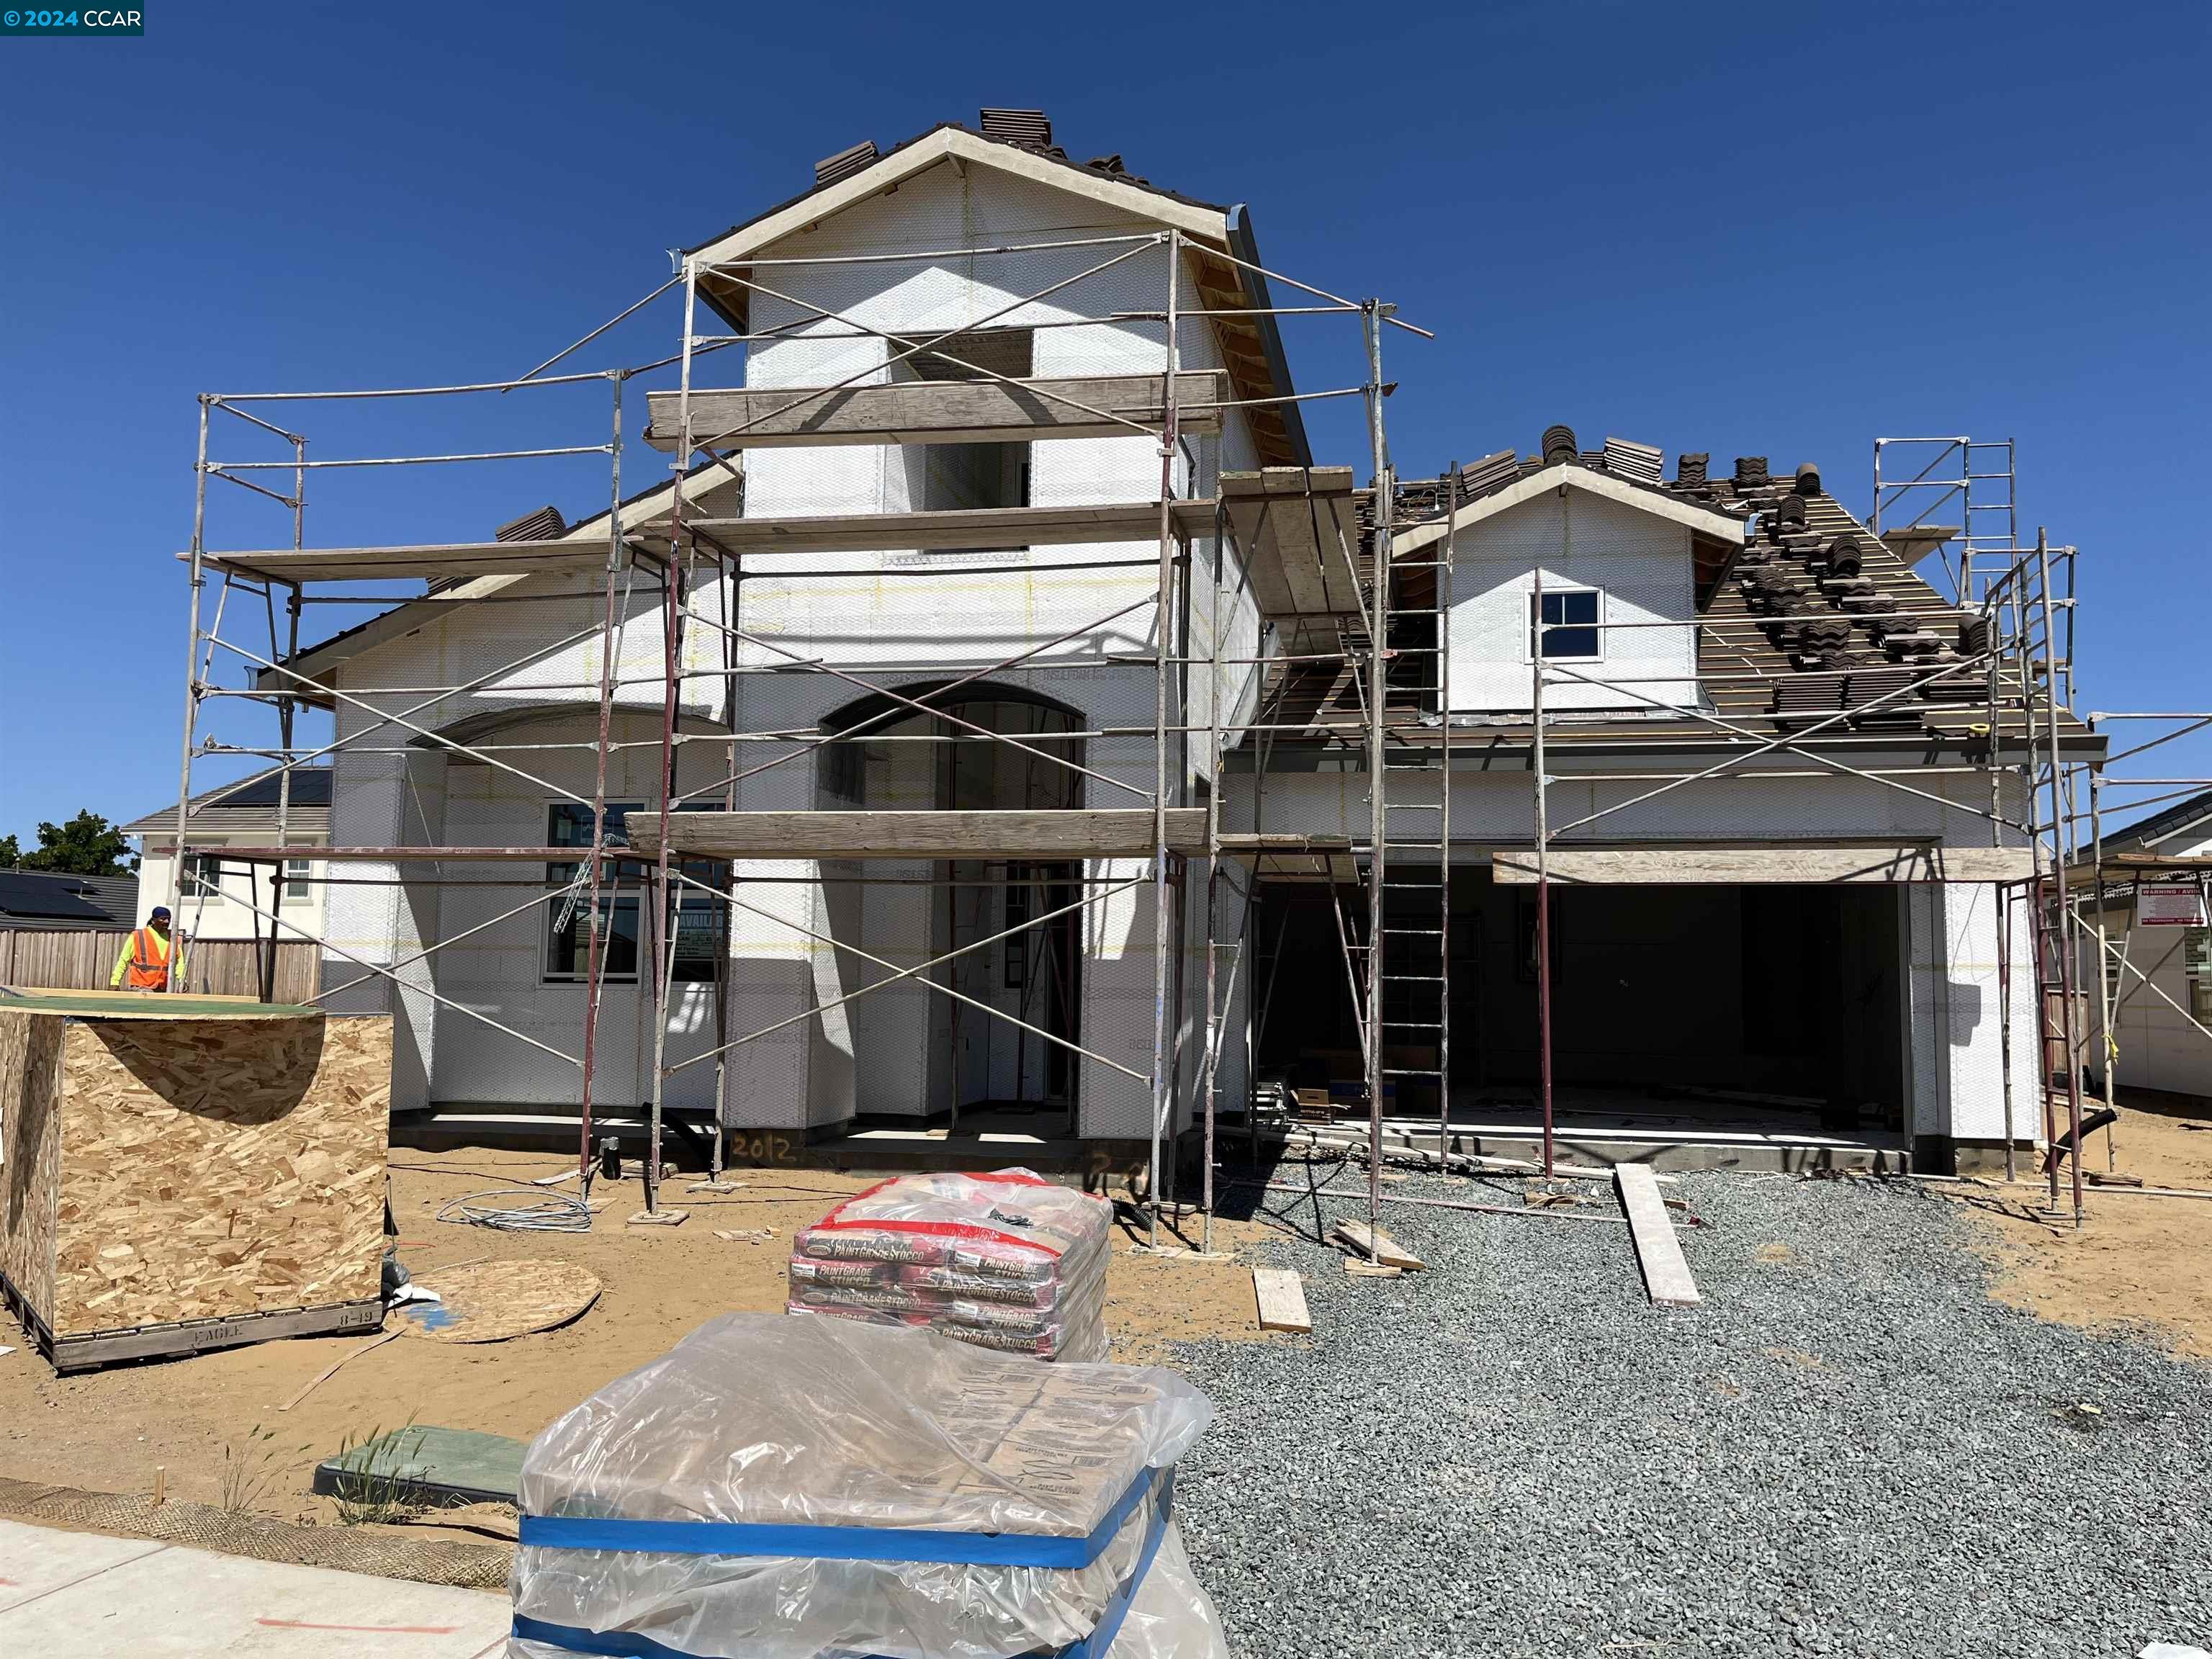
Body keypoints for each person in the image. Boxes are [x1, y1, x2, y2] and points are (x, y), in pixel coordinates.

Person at [111, 906, 181, 993]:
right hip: (141, 987)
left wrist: (183, 981)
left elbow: (180, 963)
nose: (167, 922)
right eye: (162, 919)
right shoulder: (138, 936)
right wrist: (115, 982)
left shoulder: (173, 939)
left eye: (168, 919)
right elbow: (123, 960)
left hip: (162, 988)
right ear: (153, 920)